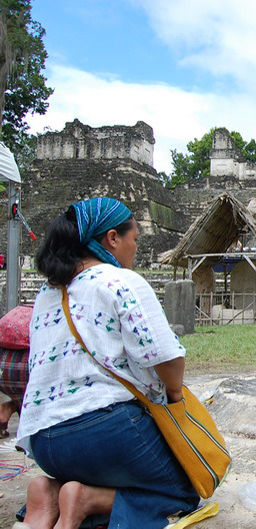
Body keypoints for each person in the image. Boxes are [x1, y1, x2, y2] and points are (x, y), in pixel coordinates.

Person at [16, 198, 199, 528]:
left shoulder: (48, 291)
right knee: (183, 490)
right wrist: (174, 395)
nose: (135, 248)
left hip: (44, 443)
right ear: (113, 238)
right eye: (135, 240)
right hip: (105, 433)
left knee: (119, 470)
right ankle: (86, 498)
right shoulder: (120, 280)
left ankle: (52, 489)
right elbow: (167, 358)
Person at [0, 304, 33, 438]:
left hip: (2, 372)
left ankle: (4, 413)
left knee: (19, 397)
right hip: (25, 373)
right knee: (29, 401)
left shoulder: (10, 322)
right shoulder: (40, 319)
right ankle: (26, 438)